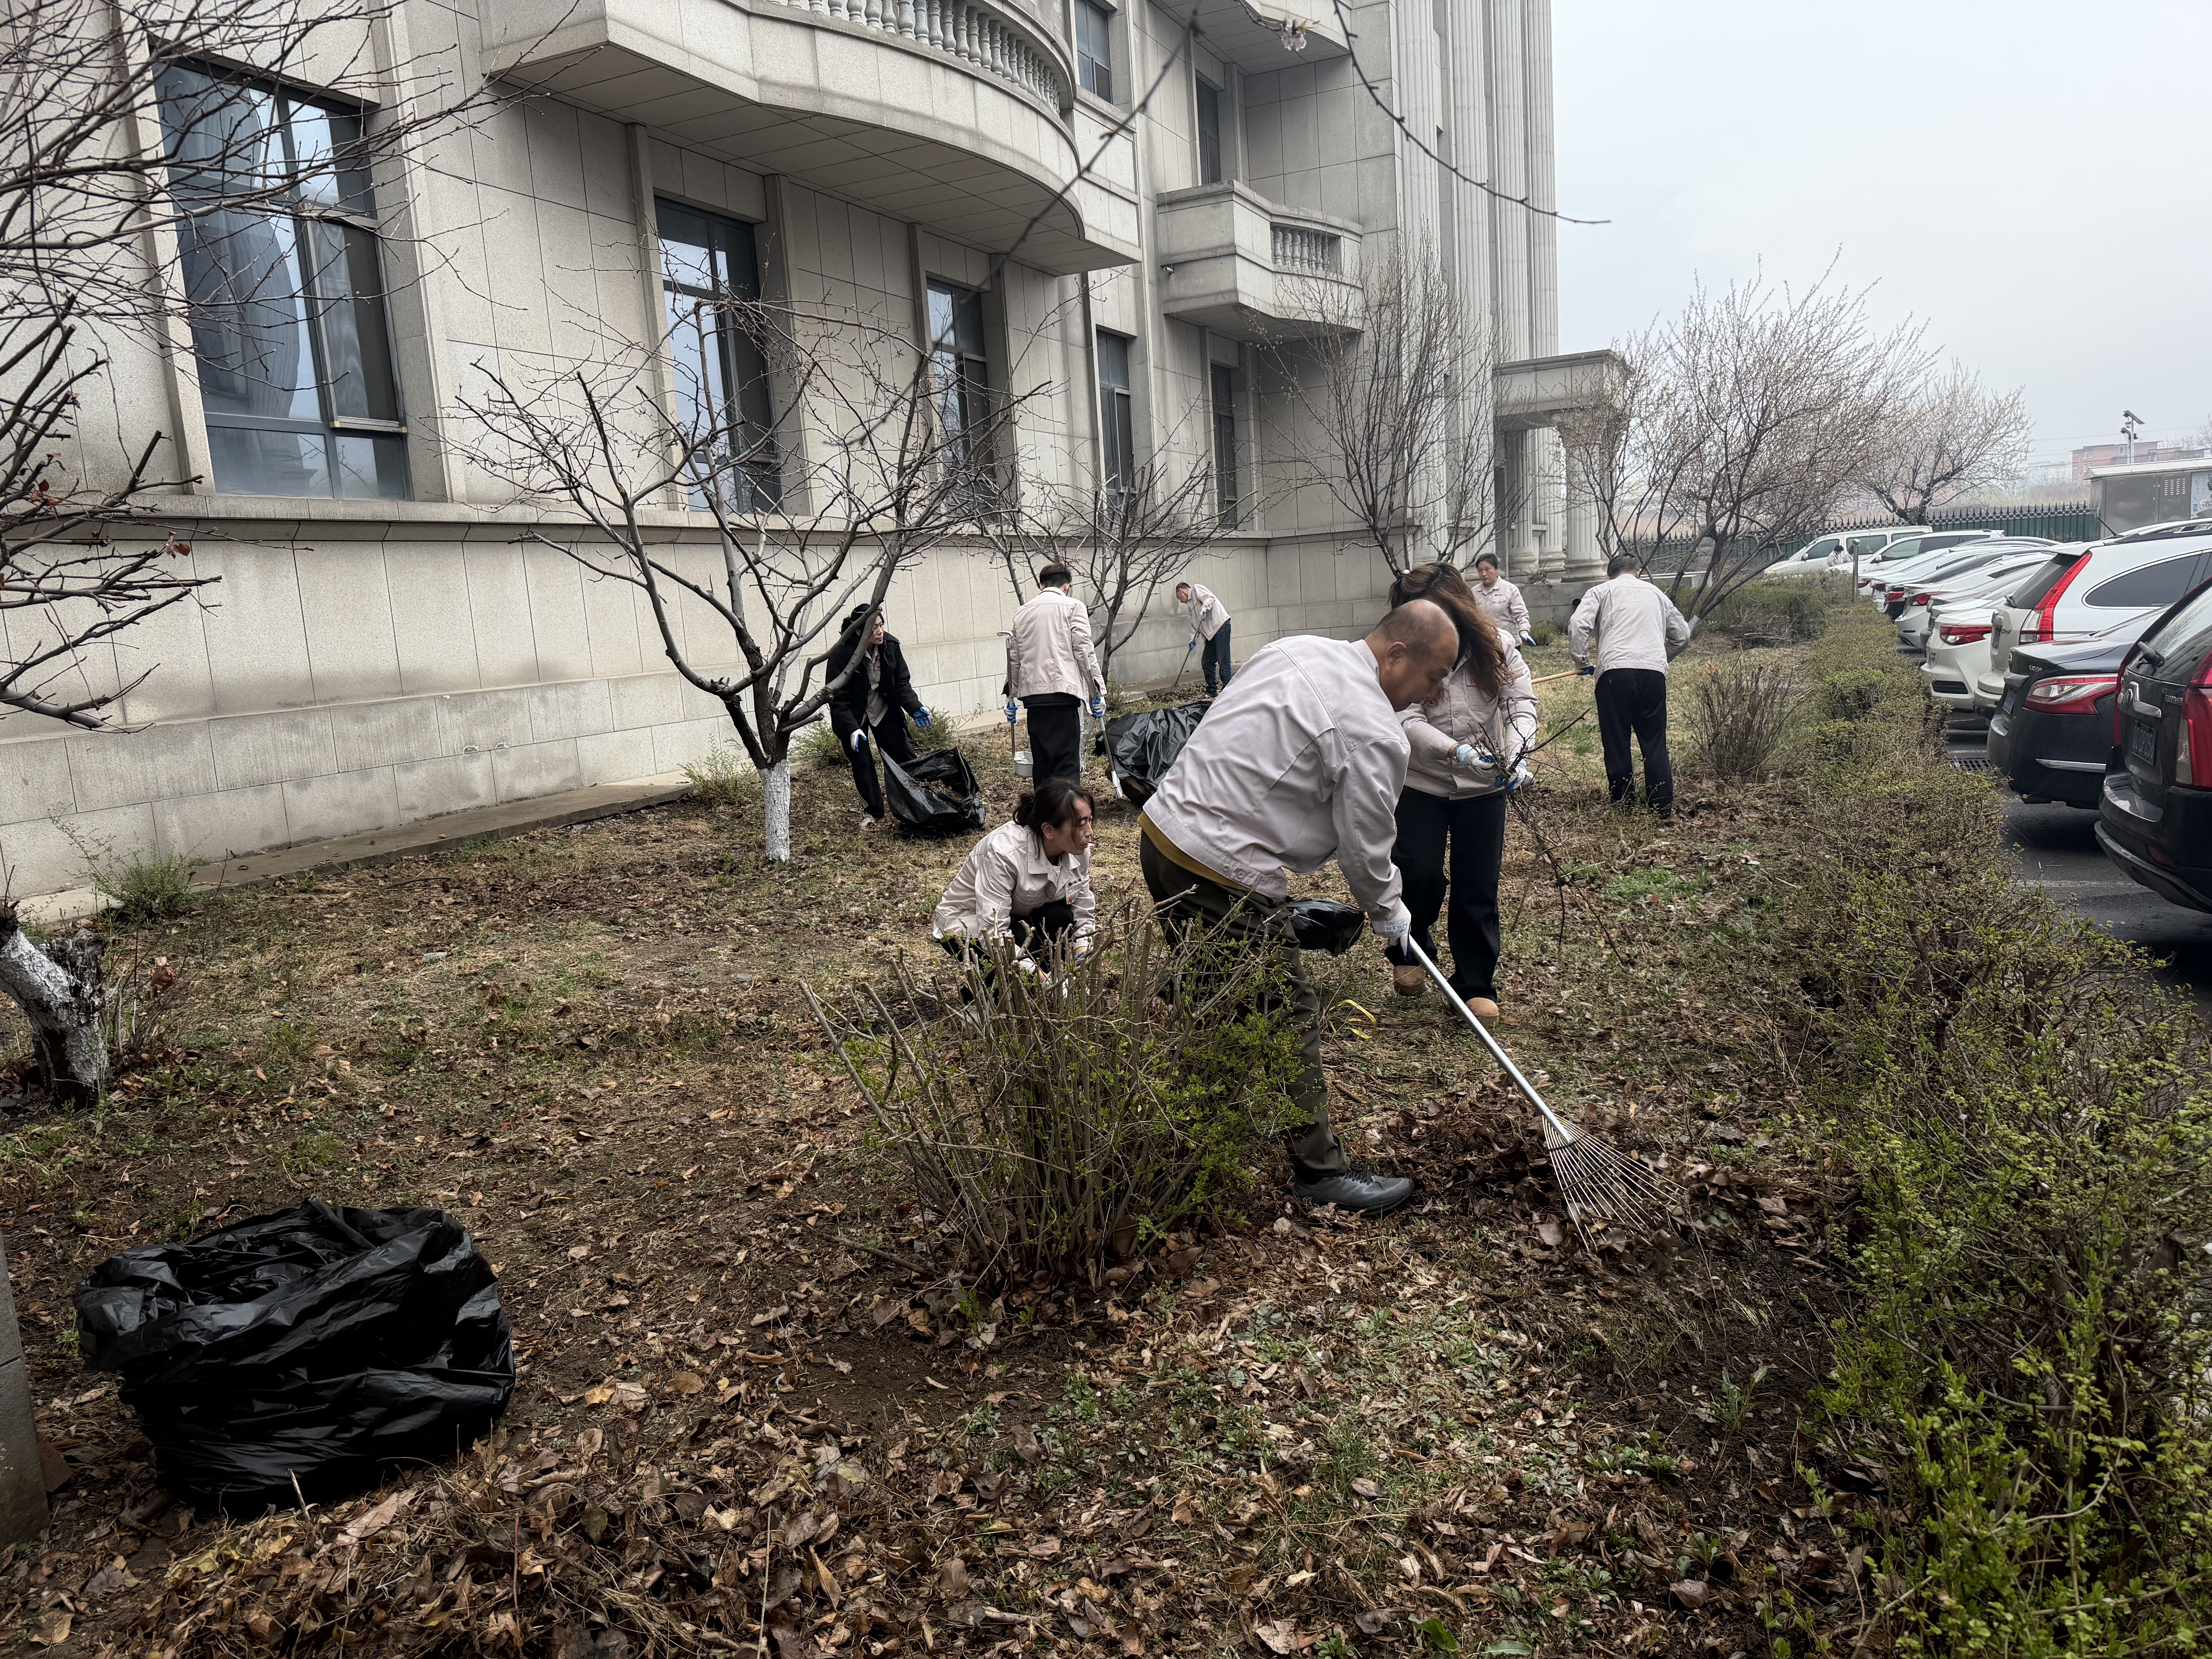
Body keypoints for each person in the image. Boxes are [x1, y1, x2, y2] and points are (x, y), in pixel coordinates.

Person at [1137, 599, 1460, 1217]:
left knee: (1218, 997)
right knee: (1287, 1010)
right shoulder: (1373, 728)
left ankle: (1190, 1140)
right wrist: (1392, 919)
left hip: (1163, 834)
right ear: (1396, 655)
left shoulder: (1296, 647)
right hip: (1219, 863)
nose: (1436, 692)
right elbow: (1367, 850)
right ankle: (1322, 1172)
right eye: (1434, 675)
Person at [1384, 565, 1538, 1020]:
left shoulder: (1497, 646)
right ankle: (1411, 951)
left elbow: (1520, 703)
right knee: (1418, 873)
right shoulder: (1404, 652)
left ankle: (1475, 983)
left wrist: (1518, 754)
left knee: (1477, 885)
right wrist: (1456, 752)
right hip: (1422, 781)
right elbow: (1405, 718)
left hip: (1485, 787)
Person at [1569, 551, 1695, 817]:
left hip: (1614, 674)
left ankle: (1623, 805)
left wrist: (1583, 662)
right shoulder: (1657, 594)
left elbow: (1579, 625)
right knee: (1654, 740)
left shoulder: (1601, 591)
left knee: (1616, 739)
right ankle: (1662, 805)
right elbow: (1683, 636)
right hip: (1653, 675)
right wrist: (1659, 659)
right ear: (1638, 572)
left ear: (1609, 575)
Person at [932, 776, 1097, 976]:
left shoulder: (1079, 851)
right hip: (969, 921)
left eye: (1090, 820)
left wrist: (1082, 953)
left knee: (1060, 918)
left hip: (1019, 913)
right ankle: (992, 989)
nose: (1089, 832)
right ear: (1049, 830)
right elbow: (993, 935)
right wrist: (1040, 979)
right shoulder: (1004, 854)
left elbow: (1083, 910)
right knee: (1018, 953)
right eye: (1080, 824)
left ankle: (1047, 979)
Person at [826, 604, 931, 831]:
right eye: (874, 628)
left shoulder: (890, 646)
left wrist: (914, 707)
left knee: (902, 755)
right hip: (856, 715)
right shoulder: (841, 655)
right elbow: (838, 698)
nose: (880, 631)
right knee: (862, 762)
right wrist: (851, 728)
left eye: (881, 625)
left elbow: (900, 682)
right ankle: (873, 811)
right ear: (858, 631)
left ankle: (915, 800)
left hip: (882, 707)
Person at [1006, 562, 1103, 784]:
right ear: (1067, 586)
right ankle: (1066, 806)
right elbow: (1084, 652)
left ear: (1041, 585)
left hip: (1034, 700)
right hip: (1063, 697)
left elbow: (1014, 659)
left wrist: (1011, 697)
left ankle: (1044, 805)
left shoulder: (1022, 612)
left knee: (1042, 765)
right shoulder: (1074, 607)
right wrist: (1097, 693)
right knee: (1066, 766)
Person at [1174, 579, 1233, 695]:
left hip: (1220, 626)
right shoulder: (1191, 607)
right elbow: (1195, 626)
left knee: (1223, 660)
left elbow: (1211, 598)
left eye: (1178, 597)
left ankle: (1229, 690)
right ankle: (1212, 691)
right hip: (1210, 635)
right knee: (1207, 662)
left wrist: (1204, 609)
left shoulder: (1196, 590)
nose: (1180, 601)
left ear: (1181, 591)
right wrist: (1192, 640)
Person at [1470, 554, 1533, 646]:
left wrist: (1524, 631)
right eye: (1481, 571)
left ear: (1496, 570)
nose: (1484, 574)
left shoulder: (1510, 589)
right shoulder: (1474, 592)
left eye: (1488, 569)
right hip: (1486, 644)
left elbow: (1521, 614)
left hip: (1510, 644)